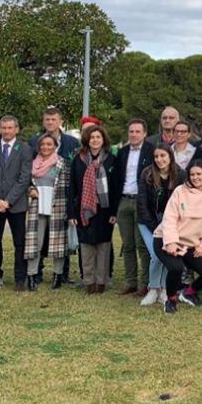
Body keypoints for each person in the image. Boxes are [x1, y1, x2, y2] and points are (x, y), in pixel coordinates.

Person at [157, 160, 202, 314]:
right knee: (176, 268)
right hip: (167, 238)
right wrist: (171, 242)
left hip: (192, 243)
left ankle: (188, 293)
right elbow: (169, 218)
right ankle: (171, 299)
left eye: (199, 174)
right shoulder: (180, 191)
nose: (195, 177)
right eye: (192, 174)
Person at [0, 115, 34, 292]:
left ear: (17, 129)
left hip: (16, 204)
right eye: (3, 128)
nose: (6, 131)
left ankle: (20, 279)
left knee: (19, 242)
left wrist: (8, 200)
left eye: (10, 128)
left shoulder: (25, 149)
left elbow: (24, 178)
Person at [69, 124, 118, 294]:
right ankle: (88, 281)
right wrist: (72, 213)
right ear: (87, 140)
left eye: (98, 137)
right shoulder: (78, 160)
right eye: (92, 137)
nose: (95, 140)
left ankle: (101, 281)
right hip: (83, 209)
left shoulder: (111, 159)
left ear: (103, 140)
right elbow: (72, 187)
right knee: (86, 245)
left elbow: (116, 187)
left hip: (105, 210)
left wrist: (114, 212)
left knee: (103, 246)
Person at [135, 144, 185, 306]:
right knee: (156, 255)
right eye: (156, 156)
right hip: (148, 222)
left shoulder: (180, 175)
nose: (159, 159)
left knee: (167, 254)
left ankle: (163, 289)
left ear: (170, 156)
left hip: (171, 223)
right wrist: (155, 227)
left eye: (163, 156)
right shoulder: (147, 174)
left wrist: (169, 226)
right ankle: (153, 288)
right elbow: (142, 204)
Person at [23, 134, 71, 291]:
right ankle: (31, 276)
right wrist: (30, 189)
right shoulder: (32, 164)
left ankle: (57, 276)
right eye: (43, 144)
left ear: (55, 146)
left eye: (49, 144)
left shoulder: (62, 163)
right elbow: (26, 182)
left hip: (58, 206)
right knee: (34, 242)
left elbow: (69, 186)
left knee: (57, 242)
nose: (45, 147)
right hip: (37, 207)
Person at [113, 119, 154, 296]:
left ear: (145, 133)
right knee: (127, 244)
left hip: (141, 202)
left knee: (142, 244)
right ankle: (131, 281)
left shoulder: (152, 151)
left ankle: (145, 283)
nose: (134, 135)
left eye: (138, 131)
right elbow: (115, 179)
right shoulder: (122, 153)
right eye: (131, 131)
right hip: (124, 201)